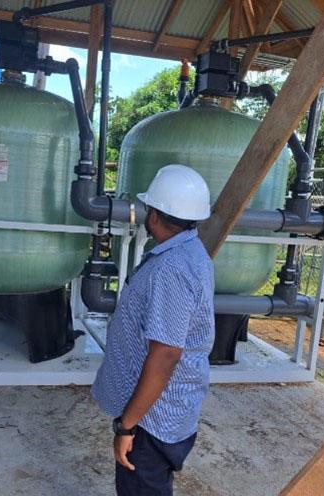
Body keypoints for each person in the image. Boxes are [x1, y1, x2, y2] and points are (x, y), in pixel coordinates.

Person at [92, 164, 215, 496]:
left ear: (156, 216)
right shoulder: (190, 252)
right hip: (161, 412)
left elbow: (165, 355)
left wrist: (126, 425)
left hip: (151, 420)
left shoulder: (171, 269)